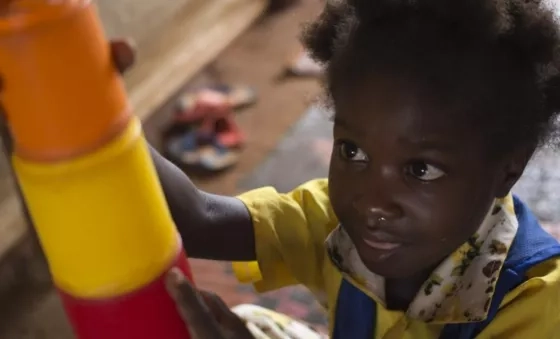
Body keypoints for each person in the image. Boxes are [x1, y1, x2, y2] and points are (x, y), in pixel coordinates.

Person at [33, 0, 560, 337]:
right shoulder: (335, 224)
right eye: (353, 151)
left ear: (506, 173)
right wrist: (84, 108)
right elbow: (197, 219)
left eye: (420, 170)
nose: (370, 201)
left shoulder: (537, 308)